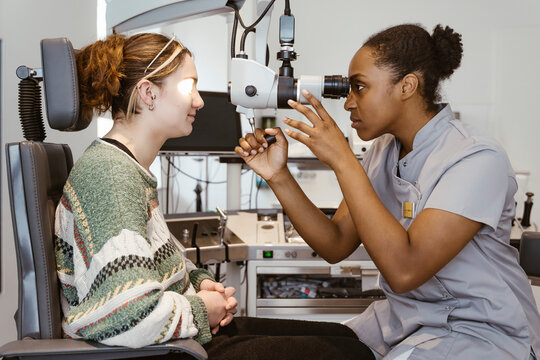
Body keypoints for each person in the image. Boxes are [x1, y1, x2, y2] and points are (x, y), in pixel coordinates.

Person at [54, 33, 376, 360]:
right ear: (148, 93)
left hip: (174, 340)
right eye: (188, 86)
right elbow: (128, 316)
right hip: (160, 350)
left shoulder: (129, 170)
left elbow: (153, 272)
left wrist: (201, 283)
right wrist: (202, 308)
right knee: (350, 355)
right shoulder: (111, 176)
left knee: (346, 338)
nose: (199, 101)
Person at [236, 24, 540, 359]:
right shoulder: (383, 151)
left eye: (359, 88)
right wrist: (279, 176)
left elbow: (405, 271)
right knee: (240, 337)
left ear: (407, 86)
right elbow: (336, 243)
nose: (349, 103)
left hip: (479, 333)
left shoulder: (476, 157)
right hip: (402, 325)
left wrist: (342, 160)